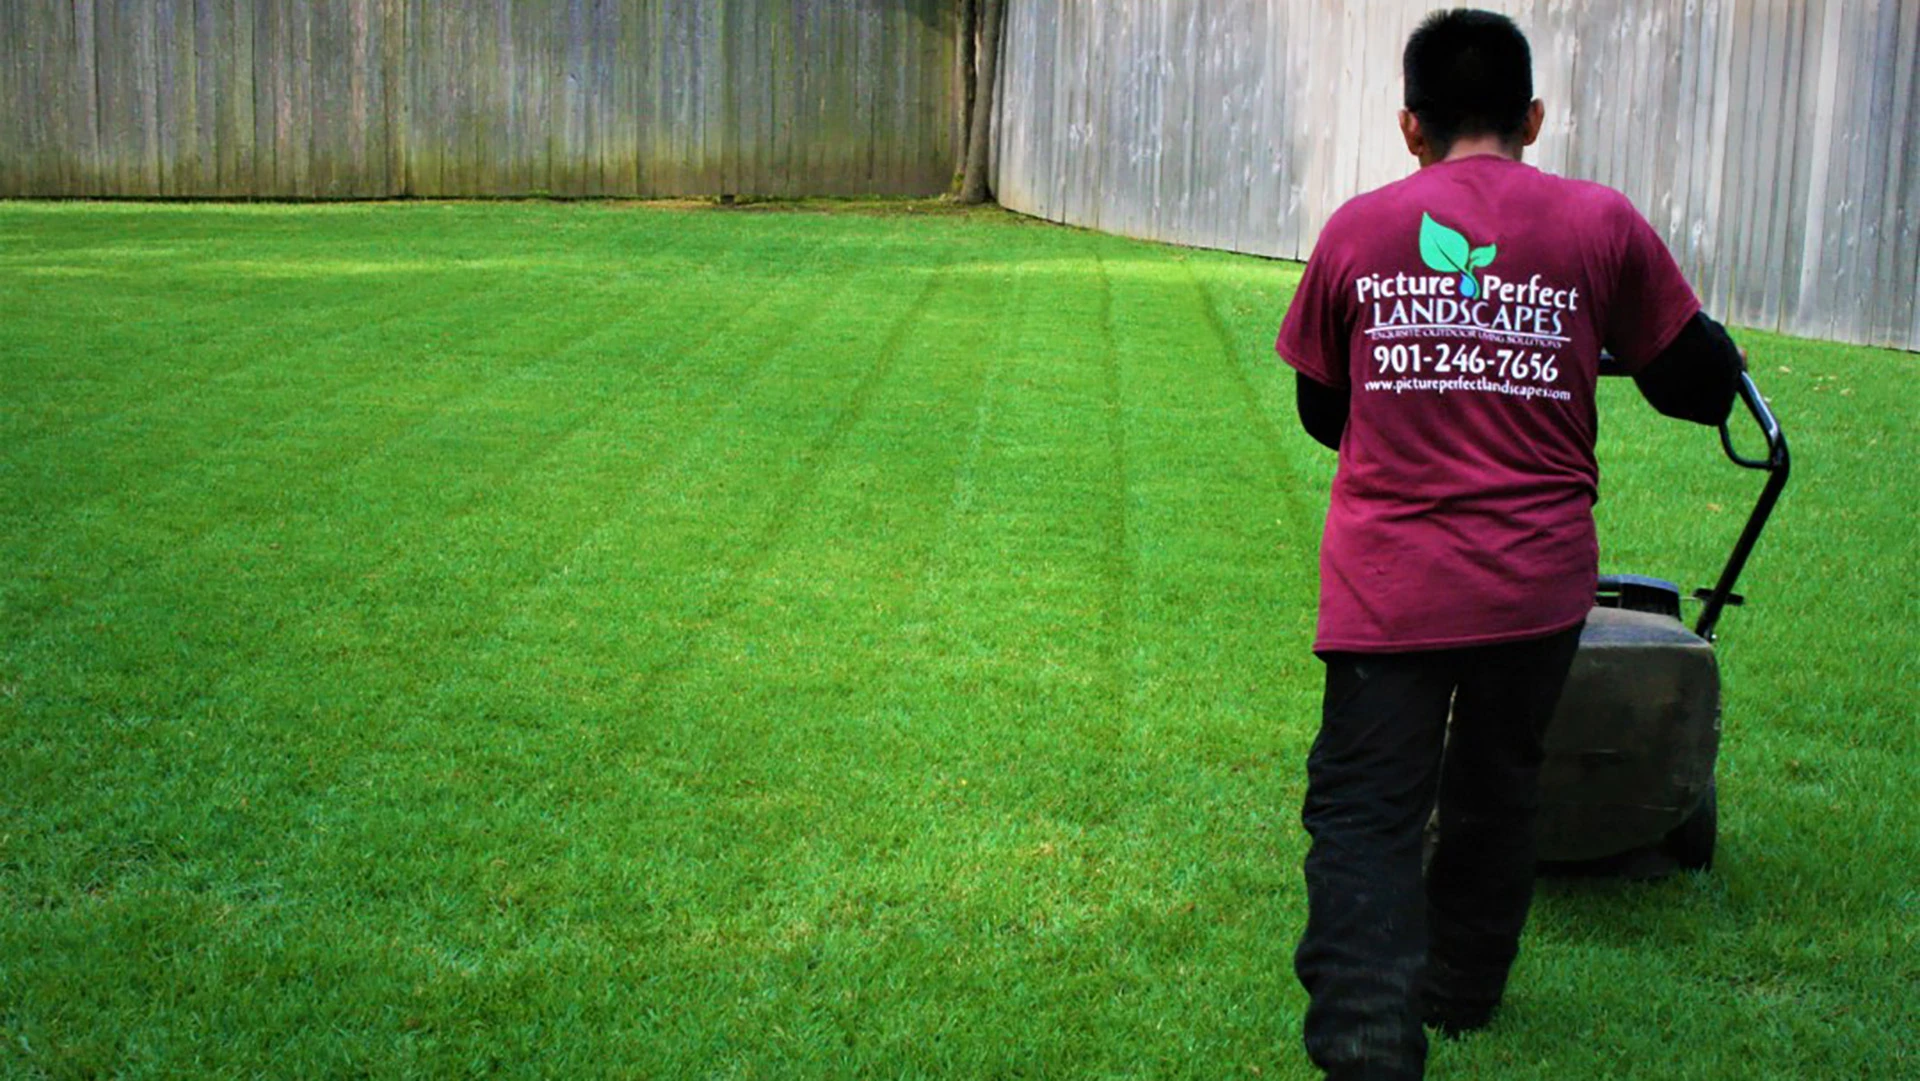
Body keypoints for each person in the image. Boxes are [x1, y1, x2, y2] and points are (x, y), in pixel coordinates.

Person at [1272, 9, 1743, 1080]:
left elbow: (1319, 407)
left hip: (1388, 586)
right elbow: (1694, 381)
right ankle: (1463, 991)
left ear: (1409, 126)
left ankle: (1364, 1040)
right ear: (1533, 117)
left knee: (1367, 806)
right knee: (1497, 780)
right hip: (1533, 587)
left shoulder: (1358, 230)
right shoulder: (1599, 223)